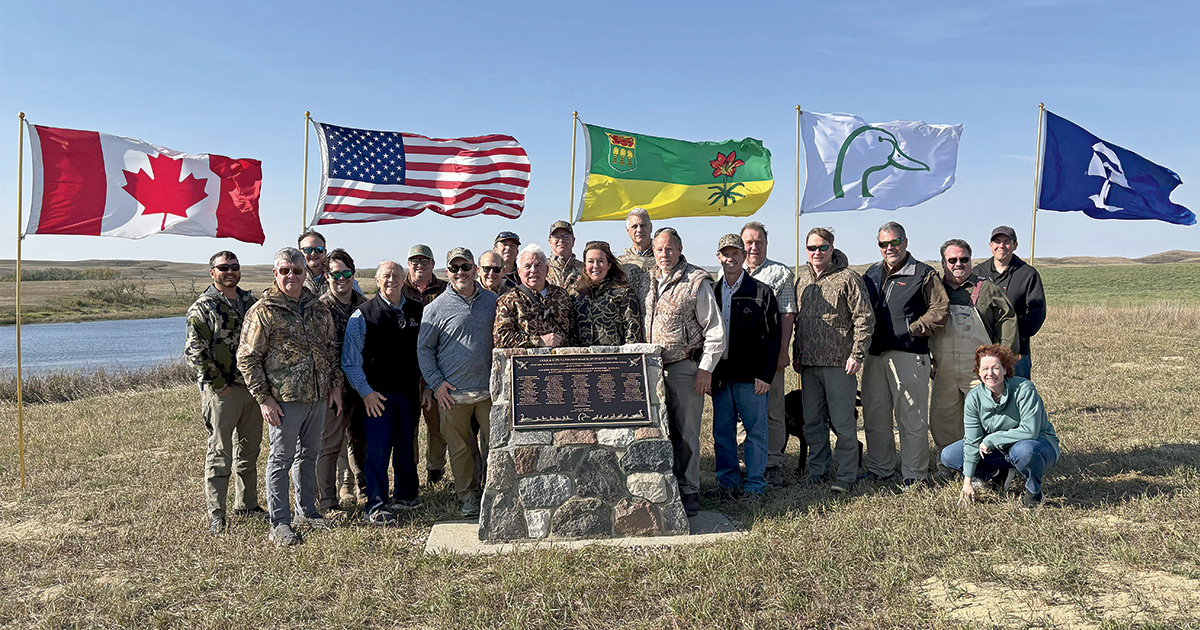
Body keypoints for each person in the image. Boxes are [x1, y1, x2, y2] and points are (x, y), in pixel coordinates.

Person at [237, 247, 343, 547]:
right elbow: (247, 358)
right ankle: (280, 523)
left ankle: (306, 511)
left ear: (305, 272)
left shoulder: (318, 308)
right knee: (281, 460)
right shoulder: (263, 311)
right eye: (285, 271)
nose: (291, 276)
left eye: (297, 271)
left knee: (309, 455)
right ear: (276, 273)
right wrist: (264, 398)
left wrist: (335, 386)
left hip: (317, 396)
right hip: (284, 400)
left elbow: (331, 349)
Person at [644, 227, 726, 517]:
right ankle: (664, 487)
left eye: (669, 249)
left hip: (684, 366)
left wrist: (705, 369)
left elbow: (714, 329)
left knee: (687, 432)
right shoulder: (648, 280)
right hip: (652, 368)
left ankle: (689, 488)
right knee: (658, 432)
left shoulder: (696, 281)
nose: (664, 254)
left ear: (679, 249)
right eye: (659, 249)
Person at [860, 222, 949, 486]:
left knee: (911, 417)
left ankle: (914, 474)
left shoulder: (923, 273)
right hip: (875, 355)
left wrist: (913, 329)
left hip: (908, 354)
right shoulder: (871, 274)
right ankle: (880, 468)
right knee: (875, 415)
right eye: (884, 244)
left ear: (905, 242)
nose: (890, 248)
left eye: (895, 242)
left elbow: (940, 309)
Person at [185, 250, 264, 534]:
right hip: (222, 392)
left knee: (249, 450)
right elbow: (195, 352)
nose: (229, 272)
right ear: (212, 273)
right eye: (223, 268)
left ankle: (248, 505)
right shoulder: (203, 307)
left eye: (234, 266)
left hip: (252, 389)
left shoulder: (251, 303)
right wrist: (220, 386)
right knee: (220, 453)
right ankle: (217, 513)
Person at [342, 260, 425, 525]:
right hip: (377, 397)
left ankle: (406, 496)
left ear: (404, 279)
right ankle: (376, 504)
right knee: (377, 451)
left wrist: (426, 387)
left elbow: (426, 352)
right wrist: (366, 393)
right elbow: (350, 361)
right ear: (377, 280)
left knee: (406, 446)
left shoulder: (417, 311)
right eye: (386, 276)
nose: (392, 280)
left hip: (409, 394)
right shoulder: (363, 315)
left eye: (397, 275)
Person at [417, 247, 498, 518]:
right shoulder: (435, 308)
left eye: (465, 267)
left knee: (495, 445)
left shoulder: (492, 301)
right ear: (447, 272)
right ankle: (469, 497)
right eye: (454, 268)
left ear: (475, 269)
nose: (460, 272)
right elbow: (424, 350)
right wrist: (436, 384)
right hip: (453, 395)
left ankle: (495, 492)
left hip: (489, 392)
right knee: (461, 450)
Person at [792, 228, 874, 493]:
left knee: (842, 423)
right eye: (812, 248)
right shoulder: (803, 281)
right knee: (812, 423)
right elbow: (798, 323)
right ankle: (818, 471)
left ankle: (847, 475)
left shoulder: (848, 278)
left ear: (832, 248)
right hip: (809, 365)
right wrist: (796, 355)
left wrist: (857, 355)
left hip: (840, 364)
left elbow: (864, 318)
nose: (817, 252)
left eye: (822, 247)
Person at [930, 239, 1019, 472]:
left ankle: (990, 468)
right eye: (952, 260)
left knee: (987, 418)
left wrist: (1004, 359)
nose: (958, 264)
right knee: (943, 419)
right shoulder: (933, 289)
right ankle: (949, 466)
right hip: (943, 368)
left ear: (971, 260)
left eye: (964, 259)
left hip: (978, 369)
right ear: (943, 263)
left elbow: (1008, 320)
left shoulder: (987, 288)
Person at [941, 344, 1059, 508]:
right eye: (984, 369)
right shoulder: (974, 398)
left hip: (1036, 444)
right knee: (949, 455)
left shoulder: (1024, 389)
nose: (989, 373)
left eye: (995, 368)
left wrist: (992, 439)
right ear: (978, 371)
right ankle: (992, 472)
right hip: (998, 450)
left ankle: (1034, 493)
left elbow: (1030, 430)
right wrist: (967, 482)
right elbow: (972, 441)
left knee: (1025, 451)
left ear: (1005, 369)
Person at [709, 234, 779, 508]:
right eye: (725, 254)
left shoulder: (761, 292)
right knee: (723, 433)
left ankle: (754, 486)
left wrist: (765, 374)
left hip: (751, 378)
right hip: (721, 376)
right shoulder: (712, 292)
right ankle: (726, 483)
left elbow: (773, 337)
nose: (731, 258)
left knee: (756, 433)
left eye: (736, 253)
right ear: (719, 258)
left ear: (744, 256)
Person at [741, 221, 797, 487]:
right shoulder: (729, 272)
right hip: (739, 357)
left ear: (766, 244)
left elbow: (787, 314)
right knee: (742, 412)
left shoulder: (780, 273)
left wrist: (783, 350)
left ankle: (773, 463)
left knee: (773, 410)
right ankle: (746, 461)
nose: (754, 247)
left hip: (769, 354)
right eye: (749, 242)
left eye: (759, 242)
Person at [316, 248, 368, 514]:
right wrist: (334, 386)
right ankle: (327, 501)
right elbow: (322, 353)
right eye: (335, 274)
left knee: (361, 441)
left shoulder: (365, 305)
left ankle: (365, 491)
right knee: (330, 445)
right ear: (327, 276)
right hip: (333, 389)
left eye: (346, 273)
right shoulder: (320, 309)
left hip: (362, 386)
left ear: (353, 274)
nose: (341, 279)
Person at [402, 244, 449, 486]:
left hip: (437, 368)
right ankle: (410, 473)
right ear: (408, 264)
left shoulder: (445, 289)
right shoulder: (399, 289)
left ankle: (435, 471)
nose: (419, 265)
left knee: (437, 425)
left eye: (424, 261)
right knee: (407, 426)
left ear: (432, 264)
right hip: (406, 370)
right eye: (414, 261)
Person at [972, 226, 1046, 379]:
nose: (1001, 245)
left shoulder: (1028, 274)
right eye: (997, 241)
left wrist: (1016, 337)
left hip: (1016, 352)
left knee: (1016, 389)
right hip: (982, 349)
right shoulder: (977, 273)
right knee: (985, 391)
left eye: (1006, 242)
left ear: (1015, 245)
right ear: (990, 245)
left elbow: (1036, 312)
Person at [493, 245, 572, 349]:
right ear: (519, 271)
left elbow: (573, 334)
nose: (533, 270)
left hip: (560, 358)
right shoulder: (508, 300)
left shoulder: (562, 295)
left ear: (547, 269)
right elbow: (501, 338)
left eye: (538, 265)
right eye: (527, 266)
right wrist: (539, 341)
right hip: (527, 359)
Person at [568, 240, 643, 346]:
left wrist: (628, 354)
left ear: (609, 265)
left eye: (601, 261)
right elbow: (570, 331)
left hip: (613, 355)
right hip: (581, 355)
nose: (595, 266)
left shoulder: (623, 293)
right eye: (590, 261)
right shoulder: (575, 294)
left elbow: (632, 330)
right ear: (584, 265)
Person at [546, 220, 584, 288]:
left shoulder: (584, 269)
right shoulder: (541, 268)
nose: (561, 240)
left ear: (573, 241)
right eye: (556, 236)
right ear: (550, 242)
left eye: (566, 236)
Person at [617, 207, 655, 274]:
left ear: (651, 227)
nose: (639, 230)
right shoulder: (621, 262)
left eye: (643, 225)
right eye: (634, 226)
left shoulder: (663, 256)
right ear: (628, 231)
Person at [299, 230, 330, 297]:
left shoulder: (337, 276)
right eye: (307, 250)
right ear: (300, 253)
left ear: (325, 252)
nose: (313, 253)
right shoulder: (294, 278)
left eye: (319, 249)